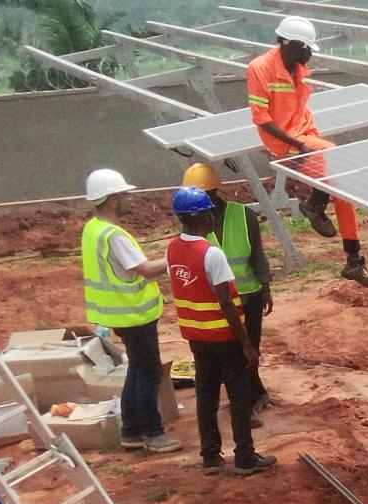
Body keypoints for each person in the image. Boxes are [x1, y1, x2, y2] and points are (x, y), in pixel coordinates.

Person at [247, 16, 368, 288]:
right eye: (306, 48)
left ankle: (353, 261)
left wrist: (308, 138)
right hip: (285, 142)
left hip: (306, 135)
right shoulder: (259, 68)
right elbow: (261, 118)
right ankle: (315, 205)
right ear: (289, 44)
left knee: (343, 190)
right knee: (334, 157)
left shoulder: (297, 66)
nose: (309, 54)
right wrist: (298, 144)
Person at [165, 187, 277, 478]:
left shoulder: (172, 248)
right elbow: (226, 302)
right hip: (224, 337)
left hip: (196, 338)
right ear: (205, 215)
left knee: (206, 395)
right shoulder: (212, 254)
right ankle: (244, 457)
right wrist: (247, 345)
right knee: (239, 397)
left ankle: (211, 457)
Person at [81, 168, 180, 455]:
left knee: (137, 369)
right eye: (124, 194)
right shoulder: (115, 235)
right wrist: (177, 253)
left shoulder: (93, 229)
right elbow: (145, 269)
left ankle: (132, 431)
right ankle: (152, 433)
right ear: (112, 198)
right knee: (148, 373)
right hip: (133, 314)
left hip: (116, 314)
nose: (128, 199)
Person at [182, 163, 274, 418]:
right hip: (219, 302)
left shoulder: (242, 215)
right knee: (234, 354)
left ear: (214, 193)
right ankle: (249, 400)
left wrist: (265, 287)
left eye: (205, 196)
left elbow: (257, 253)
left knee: (249, 350)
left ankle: (251, 398)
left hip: (248, 296)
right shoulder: (193, 223)